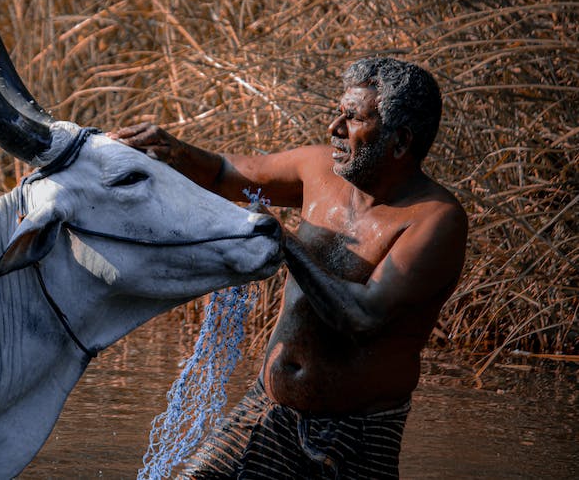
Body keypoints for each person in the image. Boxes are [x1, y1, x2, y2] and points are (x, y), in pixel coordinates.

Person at [110, 57, 468, 479]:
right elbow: (228, 174)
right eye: (338, 113)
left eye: (352, 119)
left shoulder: (436, 220)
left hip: (355, 439)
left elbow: (363, 315)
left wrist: (285, 244)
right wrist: (174, 150)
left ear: (400, 141)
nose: (334, 129)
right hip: (266, 411)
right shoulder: (317, 168)